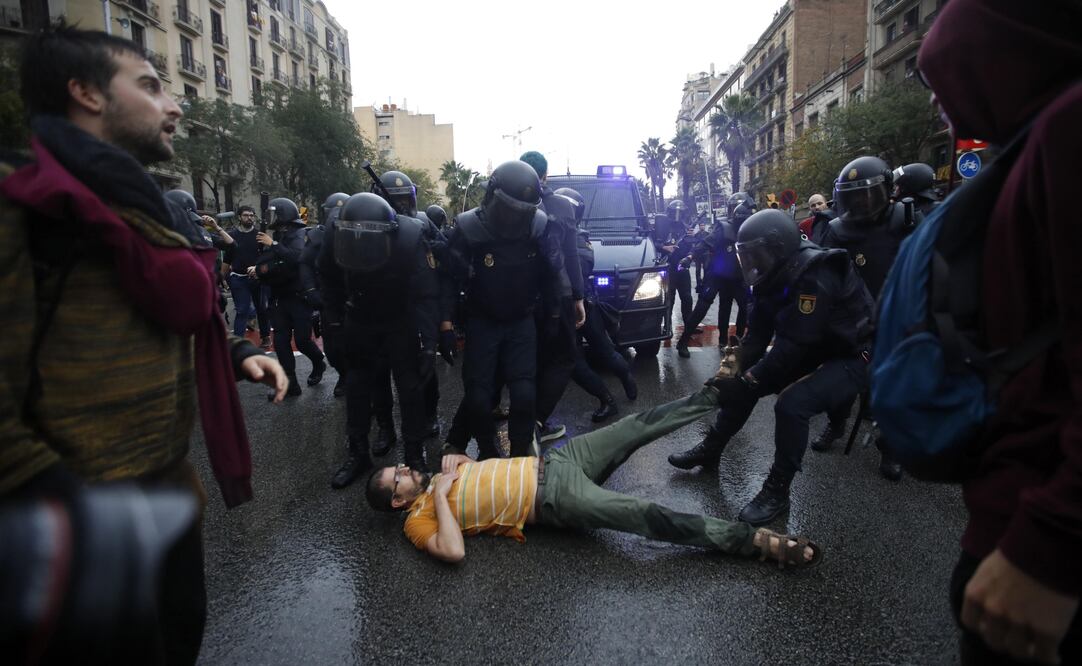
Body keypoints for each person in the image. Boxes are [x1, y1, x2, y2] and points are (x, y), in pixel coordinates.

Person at [0, 25, 287, 664]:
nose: (176, 105)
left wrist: (238, 355)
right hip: (74, 526)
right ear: (86, 93)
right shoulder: (25, 207)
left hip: (168, 500)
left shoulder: (142, 206)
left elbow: (162, 317)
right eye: (151, 87)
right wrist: (75, 512)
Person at [917, 1, 1082, 662]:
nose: (941, 107)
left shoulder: (1071, 127)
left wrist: (1051, 544)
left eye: (943, 81)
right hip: (1014, 508)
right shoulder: (1034, 140)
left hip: (1041, 540)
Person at [365, 384, 821, 569]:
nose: (406, 469)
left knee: (635, 426)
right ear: (398, 502)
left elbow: (477, 468)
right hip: (554, 501)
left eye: (400, 467)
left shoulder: (437, 474)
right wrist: (441, 496)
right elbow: (454, 551)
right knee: (649, 516)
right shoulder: (418, 520)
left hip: (560, 461)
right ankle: (754, 542)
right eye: (398, 478)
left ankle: (718, 393)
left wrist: (457, 463)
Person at [668, 210, 874, 526]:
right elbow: (759, 335)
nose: (750, 263)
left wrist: (749, 380)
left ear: (777, 248)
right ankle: (711, 448)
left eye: (755, 254)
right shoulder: (772, 274)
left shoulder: (814, 274)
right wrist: (730, 371)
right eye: (745, 254)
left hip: (851, 355)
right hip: (815, 345)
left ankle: (777, 492)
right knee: (743, 385)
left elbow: (790, 348)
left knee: (792, 405)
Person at [442, 160, 564, 459]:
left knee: (524, 394)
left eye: (520, 211)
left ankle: (521, 452)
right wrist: (445, 325)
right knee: (479, 397)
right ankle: (488, 450)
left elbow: (552, 275)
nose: (513, 217)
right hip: (482, 321)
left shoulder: (538, 226)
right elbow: (448, 279)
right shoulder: (469, 228)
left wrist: (555, 314)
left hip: (521, 320)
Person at [319, 192, 442, 487]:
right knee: (358, 387)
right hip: (359, 316)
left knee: (410, 388)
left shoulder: (410, 237)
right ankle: (358, 451)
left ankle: (414, 453)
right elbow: (327, 278)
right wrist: (334, 321)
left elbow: (426, 293)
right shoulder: (334, 233)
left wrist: (429, 342)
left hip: (400, 318)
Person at [817, 156, 912, 479]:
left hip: (894, 318)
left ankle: (891, 449)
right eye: (853, 195)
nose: (861, 201)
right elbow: (823, 274)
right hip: (849, 319)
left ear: (887, 191)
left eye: (868, 194)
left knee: (889, 389)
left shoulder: (907, 219)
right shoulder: (835, 229)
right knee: (841, 379)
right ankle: (836, 425)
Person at [520, 150, 585, 445]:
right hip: (557, 294)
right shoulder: (560, 204)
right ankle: (535, 421)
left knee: (531, 359)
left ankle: (525, 420)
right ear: (545, 175)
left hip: (523, 295)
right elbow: (571, 255)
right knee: (564, 358)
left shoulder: (507, 203)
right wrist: (578, 297)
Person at [558, 187, 637, 422]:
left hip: (579, 306)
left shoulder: (577, 239)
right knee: (580, 358)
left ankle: (617, 388)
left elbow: (578, 271)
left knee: (596, 353)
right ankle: (613, 393)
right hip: (574, 305)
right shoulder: (561, 234)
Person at [255, 197, 326, 397]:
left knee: (303, 340)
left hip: (298, 296)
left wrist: (273, 244)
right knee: (280, 340)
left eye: (275, 213)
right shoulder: (278, 235)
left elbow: (297, 258)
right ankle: (290, 384)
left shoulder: (300, 234)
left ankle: (319, 362)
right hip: (279, 297)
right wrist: (260, 269)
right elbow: (273, 261)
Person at [675, 192, 752, 358]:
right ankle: (684, 340)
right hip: (718, 273)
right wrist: (690, 257)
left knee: (744, 307)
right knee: (702, 306)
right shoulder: (723, 227)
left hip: (739, 275)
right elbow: (705, 242)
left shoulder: (753, 229)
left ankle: (736, 340)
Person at [310, 192, 349, 396]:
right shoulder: (317, 236)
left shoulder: (358, 235)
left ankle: (352, 378)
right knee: (332, 349)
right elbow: (305, 264)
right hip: (329, 299)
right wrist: (311, 292)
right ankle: (343, 372)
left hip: (353, 297)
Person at [224, 205, 272, 348]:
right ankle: (238, 342)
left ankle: (265, 337)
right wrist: (222, 277)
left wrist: (261, 271)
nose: (249, 218)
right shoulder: (232, 235)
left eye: (251, 215)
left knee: (262, 308)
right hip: (238, 278)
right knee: (242, 310)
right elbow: (227, 258)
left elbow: (267, 257)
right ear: (239, 217)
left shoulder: (260, 235)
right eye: (246, 215)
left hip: (258, 278)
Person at [659, 199, 698, 331]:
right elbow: (653, 243)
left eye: (679, 212)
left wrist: (690, 256)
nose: (677, 215)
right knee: (669, 298)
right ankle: (667, 326)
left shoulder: (688, 229)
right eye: (674, 212)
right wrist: (665, 247)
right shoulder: (663, 228)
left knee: (687, 297)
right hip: (668, 267)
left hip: (682, 267)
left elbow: (694, 246)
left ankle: (689, 325)